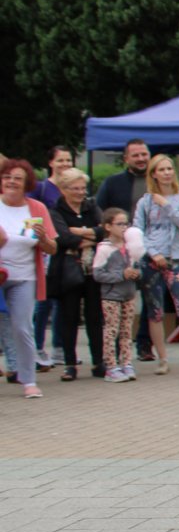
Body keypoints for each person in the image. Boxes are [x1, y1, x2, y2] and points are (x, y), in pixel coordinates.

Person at [132, 154, 179, 378]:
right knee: (155, 311)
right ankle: (162, 359)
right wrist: (153, 253)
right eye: (162, 169)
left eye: (169, 169)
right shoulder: (145, 202)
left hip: (176, 258)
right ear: (153, 174)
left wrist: (166, 205)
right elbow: (137, 231)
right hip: (152, 260)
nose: (167, 173)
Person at [0, 159, 58, 398]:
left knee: (23, 327)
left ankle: (28, 380)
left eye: (18, 178)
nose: (12, 182)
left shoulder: (37, 208)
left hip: (24, 276)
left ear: (27, 184)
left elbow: (53, 248)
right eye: (7, 177)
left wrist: (44, 239)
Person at [96, 139, 153, 362]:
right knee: (120, 299)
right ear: (126, 158)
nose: (141, 159)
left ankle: (144, 344)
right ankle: (116, 353)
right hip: (120, 250)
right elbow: (100, 211)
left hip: (149, 247)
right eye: (136, 155)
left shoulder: (155, 181)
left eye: (144, 154)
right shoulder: (113, 183)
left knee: (150, 300)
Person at [48, 169, 104, 381]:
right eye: (76, 188)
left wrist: (79, 232)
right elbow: (63, 238)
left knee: (94, 317)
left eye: (83, 188)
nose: (81, 192)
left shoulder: (91, 206)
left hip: (92, 270)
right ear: (64, 189)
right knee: (68, 318)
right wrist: (90, 234)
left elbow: (104, 231)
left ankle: (99, 362)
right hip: (67, 270)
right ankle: (70, 364)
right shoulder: (55, 211)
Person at [30, 145, 75, 369]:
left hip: (66, 251)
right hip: (47, 251)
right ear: (51, 163)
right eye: (61, 161)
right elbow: (31, 217)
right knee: (43, 304)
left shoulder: (74, 188)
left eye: (68, 160)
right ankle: (37, 348)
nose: (65, 164)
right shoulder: (41, 189)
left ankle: (59, 348)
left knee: (61, 304)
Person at [93, 209, 140, 382]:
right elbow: (98, 274)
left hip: (129, 293)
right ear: (108, 226)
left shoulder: (131, 246)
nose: (124, 228)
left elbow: (138, 266)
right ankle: (111, 366)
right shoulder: (104, 249)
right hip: (111, 296)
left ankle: (126, 362)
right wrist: (121, 275)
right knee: (111, 330)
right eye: (119, 224)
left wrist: (136, 273)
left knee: (127, 331)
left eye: (126, 223)